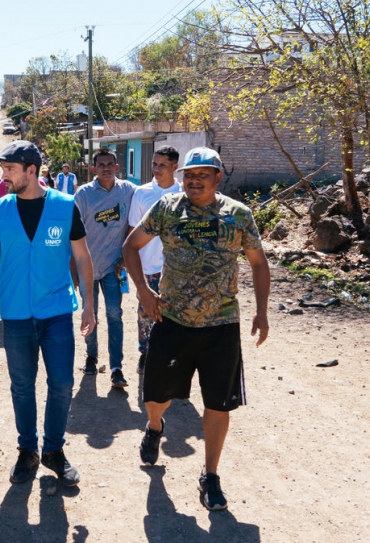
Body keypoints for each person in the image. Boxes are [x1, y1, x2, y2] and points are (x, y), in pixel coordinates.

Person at [122, 147, 270, 511]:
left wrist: (262, 313)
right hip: (172, 320)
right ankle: (155, 427)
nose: (194, 180)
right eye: (189, 174)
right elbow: (131, 247)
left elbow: (259, 263)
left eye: (203, 174)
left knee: (218, 404)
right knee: (155, 397)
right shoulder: (167, 209)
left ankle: (211, 475)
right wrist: (144, 292)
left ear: (218, 178)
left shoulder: (238, 215)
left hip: (221, 325)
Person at [0, 140, 96, 488]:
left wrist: (88, 303)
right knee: (22, 387)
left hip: (56, 312)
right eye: (3, 169)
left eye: (10, 169)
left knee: (61, 384)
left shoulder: (64, 206)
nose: (3, 175)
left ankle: (53, 450)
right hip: (15, 315)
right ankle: (27, 449)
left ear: (32, 170)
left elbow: (83, 257)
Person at [72, 148, 136, 387]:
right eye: (101, 165)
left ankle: (116, 367)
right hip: (86, 268)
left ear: (117, 167)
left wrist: (125, 258)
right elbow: (72, 233)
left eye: (110, 164)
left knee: (115, 315)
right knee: (91, 315)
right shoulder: (84, 195)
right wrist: (73, 269)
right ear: (93, 169)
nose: (106, 168)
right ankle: (91, 356)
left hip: (113, 268)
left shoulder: (128, 191)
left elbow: (135, 221)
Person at [127, 145, 183, 374]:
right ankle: (145, 354)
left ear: (174, 167)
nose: (156, 169)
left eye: (162, 165)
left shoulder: (185, 194)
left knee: (176, 314)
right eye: (154, 164)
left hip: (177, 269)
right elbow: (132, 232)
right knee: (146, 313)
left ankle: (174, 358)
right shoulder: (141, 193)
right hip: (147, 267)